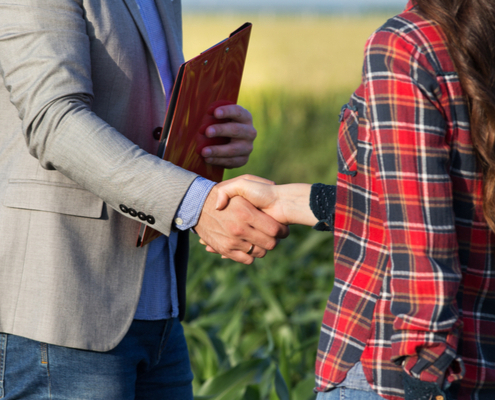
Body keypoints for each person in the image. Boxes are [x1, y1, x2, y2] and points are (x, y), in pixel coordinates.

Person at [0, 1, 289, 399]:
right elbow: (54, 121)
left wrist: (211, 137)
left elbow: (142, 113)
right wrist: (196, 203)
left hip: (159, 309)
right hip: (66, 309)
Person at [212, 0, 495, 399]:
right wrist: (290, 201)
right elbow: (448, 200)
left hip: (395, 372)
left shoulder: (407, 45)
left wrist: (424, 374)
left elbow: (421, 242)